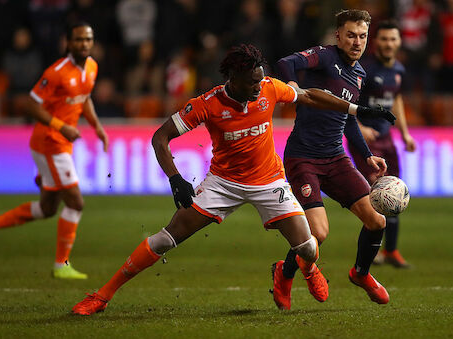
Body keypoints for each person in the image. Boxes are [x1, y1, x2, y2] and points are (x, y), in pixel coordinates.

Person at [71, 44, 394, 315]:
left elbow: (309, 95)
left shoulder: (269, 88)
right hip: (223, 184)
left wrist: (357, 110)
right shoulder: (208, 104)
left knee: (310, 248)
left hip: (270, 182)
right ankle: (102, 295)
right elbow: (160, 137)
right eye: (252, 81)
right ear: (233, 79)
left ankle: (305, 269)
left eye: (259, 79)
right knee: (165, 239)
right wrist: (175, 178)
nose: (258, 86)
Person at [272, 9, 391, 310]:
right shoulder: (324, 57)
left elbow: (348, 120)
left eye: (362, 36)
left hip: (336, 158)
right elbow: (286, 63)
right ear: (338, 35)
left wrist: (366, 156)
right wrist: (294, 88)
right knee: (318, 234)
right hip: (304, 158)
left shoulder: (360, 74)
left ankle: (361, 274)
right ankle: (284, 274)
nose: (356, 42)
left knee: (377, 220)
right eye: (350, 35)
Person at [0, 22, 109, 280]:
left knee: (47, 208)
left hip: (60, 143)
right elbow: (31, 105)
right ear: (68, 42)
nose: (84, 44)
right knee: (76, 203)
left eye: (88, 39)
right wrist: (62, 127)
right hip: (50, 142)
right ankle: (61, 265)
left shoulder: (92, 67)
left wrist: (97, 126)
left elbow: (84, 97)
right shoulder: (56, 72)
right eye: (79, 40)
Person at [347, 20, 417, 268]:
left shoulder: (399, 69)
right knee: (377, 194)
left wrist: (405, 133)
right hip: (365, 140)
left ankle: (392, 251)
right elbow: (347, 100)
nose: (388, 44)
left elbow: (396, 99)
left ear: (399, 42)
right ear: (376, 42)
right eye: (384, 39)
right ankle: (373, 251)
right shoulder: (363, 69)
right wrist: (361, 127)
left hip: (387, 138)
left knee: (396, 191)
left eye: (393, 39)